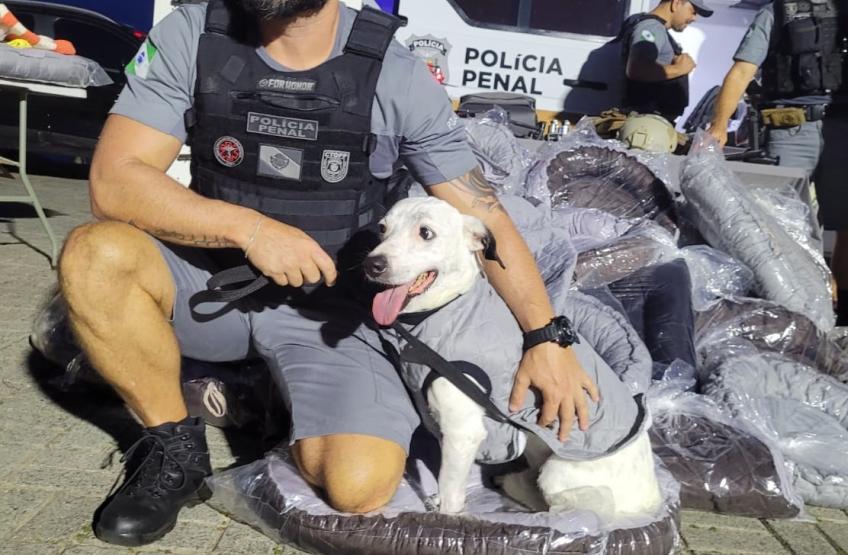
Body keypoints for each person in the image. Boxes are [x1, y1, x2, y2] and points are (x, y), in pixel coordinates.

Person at [57, 0, 600, 547]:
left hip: (330, 312)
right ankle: (173, 446)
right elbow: (114, 181)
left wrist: (546, 335)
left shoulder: (393, 70)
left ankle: (263, 396)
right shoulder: (194, 33)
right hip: (214, 282)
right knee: (93, 254)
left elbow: (482, 214)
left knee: (358, 486)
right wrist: (250, 230)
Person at [708, 0, 848, 326]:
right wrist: (718, 126)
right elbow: (742, 70)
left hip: (844, 128)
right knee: (777, 223)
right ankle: (782, 309)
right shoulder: (777, 11)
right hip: (788, 128)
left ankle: (847, 316)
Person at [613, 0, 714, 123]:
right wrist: (680, 68)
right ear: (676, 3)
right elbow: (638, 70)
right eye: (693, 12)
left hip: (646, 119)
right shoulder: (652, 27)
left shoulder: (647, 24)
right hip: (644, 122)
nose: (694, 18)